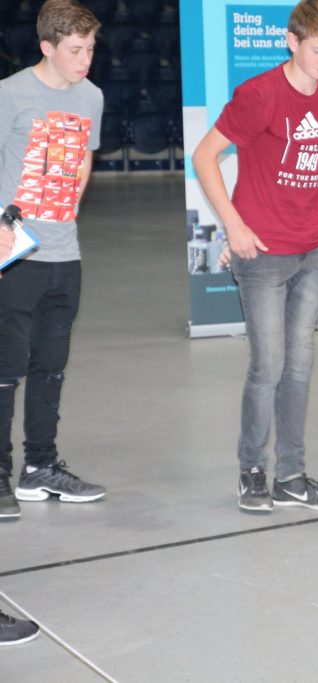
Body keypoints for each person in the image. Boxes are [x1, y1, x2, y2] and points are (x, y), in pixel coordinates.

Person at [192, 0, 318, 512]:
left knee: (299, 367)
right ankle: (252, 470)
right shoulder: (259, 94)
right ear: (292, 41)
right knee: (268, 367)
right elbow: (204, 155)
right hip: (262, 254)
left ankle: (292, 475)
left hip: (312, 250)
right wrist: (233, 224)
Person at [0, 0, 106, 522]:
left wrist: (67, 210)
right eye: (76, 50)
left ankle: (39, 467)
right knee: (6, 368)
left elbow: (83, 156)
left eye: (91, 49)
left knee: (50, 368)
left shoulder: (91, 97)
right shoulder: (10, 94)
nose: (86, 59)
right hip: (15, 255)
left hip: (66, 253)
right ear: (47, 47)